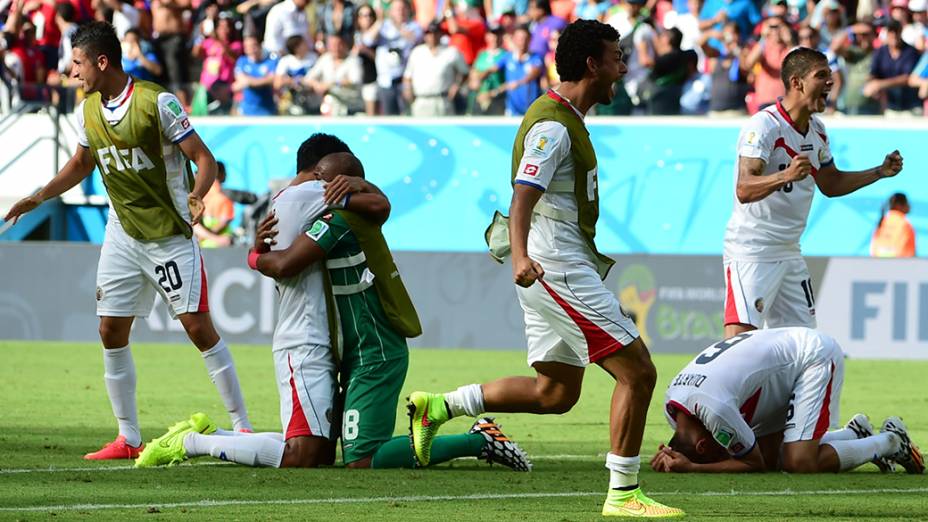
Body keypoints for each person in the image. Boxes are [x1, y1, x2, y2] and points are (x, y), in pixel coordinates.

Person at [407, 19, 684, 518]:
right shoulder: (554, 126)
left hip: (552, 263)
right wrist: (520, 257)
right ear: (592, 64)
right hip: (553, 267)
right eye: (617, 57)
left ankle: (440, 406)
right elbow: (522, 197)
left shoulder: (567, 117)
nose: (623, 66)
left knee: (554, 393)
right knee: (638, 370)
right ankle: (623, 494)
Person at [136, 139, 531, 472]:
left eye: (338, 180)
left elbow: (290, 260)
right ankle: (209, 438)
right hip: (347, 349)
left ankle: (475, 440)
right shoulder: (326, 206)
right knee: (316, 452)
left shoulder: (338, 217)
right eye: (329, 178)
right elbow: (378, 207)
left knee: (352, 459)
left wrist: (253, 255)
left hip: (372, 350)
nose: (327, 186)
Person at [3, 21, 253, 459]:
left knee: (198, 328)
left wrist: (197, 194)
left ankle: (243, 427)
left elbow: (203, 158)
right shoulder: (87, 110)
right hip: (121, 233)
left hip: (168, 235)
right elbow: (81, 164)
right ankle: (128, 438)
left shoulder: (158, 102)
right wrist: (38, 197)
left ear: (102, 61)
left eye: (78, 63)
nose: (71, 71)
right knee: (110, 329)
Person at [722, 47, 904, 340]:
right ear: (797, 82)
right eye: (822, 76)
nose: (830, 82)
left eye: (831, 76)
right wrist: (786, 175)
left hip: (790, 250)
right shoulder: (764, 125)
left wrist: (878, 172)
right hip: (752, 250)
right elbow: (744, 188)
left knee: (801, 344)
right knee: (740, 342)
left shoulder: (817, 131)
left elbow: (830, 184)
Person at [651, 327, 924, 474]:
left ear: (702, 445)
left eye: (718, 447)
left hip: (812, 356)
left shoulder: (715, 409)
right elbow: (757, 458)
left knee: (799, 463)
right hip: (782, 361)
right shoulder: (673, 406)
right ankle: (853, 434)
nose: (726, 449)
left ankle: (891, 442)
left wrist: (695, 468)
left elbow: (751, 463)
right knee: (773, 458)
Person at [402, 22, 468, 117]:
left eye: (435, 33)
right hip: (421, 100)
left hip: (443, 99)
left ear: (440, 34)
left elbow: (464, 72)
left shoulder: (451, 52)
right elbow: (407, 76)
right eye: (429, 33)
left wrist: (457, 86)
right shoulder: (417, 52)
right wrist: (407, 89)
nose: (432, 36)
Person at [233, 35, 278, 116]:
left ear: (260, 45)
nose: (252, 49)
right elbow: (242, 80)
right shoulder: (242, 61)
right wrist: (263, 80)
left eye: (254, 45)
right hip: (246, 111)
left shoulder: (270, 61)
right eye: (248, 46)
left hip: (267, 110)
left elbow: (273, 79)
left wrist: (250, 81)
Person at [193, 161, 235, 248]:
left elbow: (194, 226)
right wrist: (216, 239)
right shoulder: (224, 200)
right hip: (220, 247)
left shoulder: (196, 200)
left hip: (203, 249)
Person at [871, 192, 916, 257]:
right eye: (907, 203)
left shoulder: (882, 221)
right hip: (900, 264)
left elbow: (874, 249)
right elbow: (909, 251)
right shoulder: (905, 224)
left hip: (879, 263)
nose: (909, 206)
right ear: (898, 205)